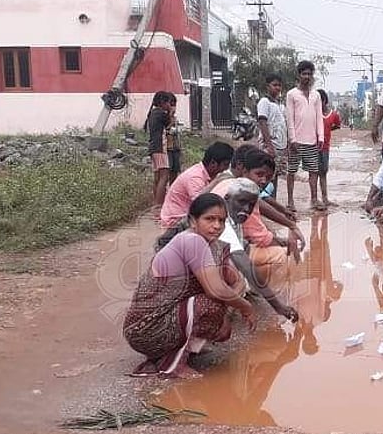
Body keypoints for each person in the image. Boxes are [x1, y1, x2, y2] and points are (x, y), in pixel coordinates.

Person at [123, 193, 255, 379]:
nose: (217, 226)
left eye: (221, 220)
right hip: (145, 330)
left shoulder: (211, 244)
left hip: (157, 322)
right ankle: (173, 364)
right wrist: (246, 307)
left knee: (220, 306)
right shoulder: (191, 240)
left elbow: (235, 278)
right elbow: (216, 290)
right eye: (209, 219)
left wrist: (229, 305)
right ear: (193, 220)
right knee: (212, 305)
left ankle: (176, 349)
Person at [207, 177, 300, 322]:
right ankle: (221, 319)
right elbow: (245, 265)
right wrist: (278, 306)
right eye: (241, 202)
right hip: (198, 275)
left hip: (210, 268)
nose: (246, 209)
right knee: (240, 279)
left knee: (242, 269)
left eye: (251, 205)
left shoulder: (233, 217)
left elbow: (244, 245)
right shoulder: (221, 224)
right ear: (227, 199)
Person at [206, 145, 305, 266]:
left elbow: (260, 204)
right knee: (283, 255)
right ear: (244, 171)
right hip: (214, 254)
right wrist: (287, 243)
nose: (264, 180)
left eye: (268, 178)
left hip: (210, 244)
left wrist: (289, 224)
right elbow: (261, 239)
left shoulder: (229, 182)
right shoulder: (242, 199)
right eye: (259, 174)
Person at [158, 141, 235, 229]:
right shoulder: (195, 177)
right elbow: (200, 204)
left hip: (187, 216)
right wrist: (217, 180)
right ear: (213, 163)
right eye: (225, 165)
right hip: (175, 220)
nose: (226, 169)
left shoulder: (208, 174)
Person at [284, 60, 326, 210]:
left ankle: (314, 199)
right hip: (297, 141)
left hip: (312, 141)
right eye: (304, 74)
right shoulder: (291, 94)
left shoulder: (316, 95)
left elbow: (319, 117)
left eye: (309, 74)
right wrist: (292, 139)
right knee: (292, 171)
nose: (307, 76)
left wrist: (321, 137)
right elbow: (290, 118)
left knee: (313, 171)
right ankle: (290, 201)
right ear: (299, 75)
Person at [256, 74, 289, 194]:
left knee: (274, 177)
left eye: (279, 85)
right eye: (274, 85)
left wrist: (286, 146)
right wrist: (269, 145)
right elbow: (262, 122)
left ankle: (271, 203)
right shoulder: (264, 102)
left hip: (279, 147)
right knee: (266, 177)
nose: (277, 88)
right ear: (267, 86)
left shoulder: (279, 105)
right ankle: (264, 204)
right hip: (269, 147)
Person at [146, 91, 176, 207]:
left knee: (157, 176)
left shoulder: (153, 113)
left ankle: (156, 201)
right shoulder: (160, 113)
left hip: (153, 147)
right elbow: (169, 125)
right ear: (163, 102)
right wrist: (171, 113)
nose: (170, 104)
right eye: (168, 102)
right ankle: (159, 204)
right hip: (160, 148)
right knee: (164, 176)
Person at [318, 89, 341, 208]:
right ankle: (315, 199)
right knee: (313, 173)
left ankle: (324, 198)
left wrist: (327, 131)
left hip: (325, 147)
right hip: (313, 146)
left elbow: (338, 125)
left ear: (325, 101)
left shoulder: (333, 115)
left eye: (320, 101)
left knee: (323, 172)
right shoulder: (313, 113)